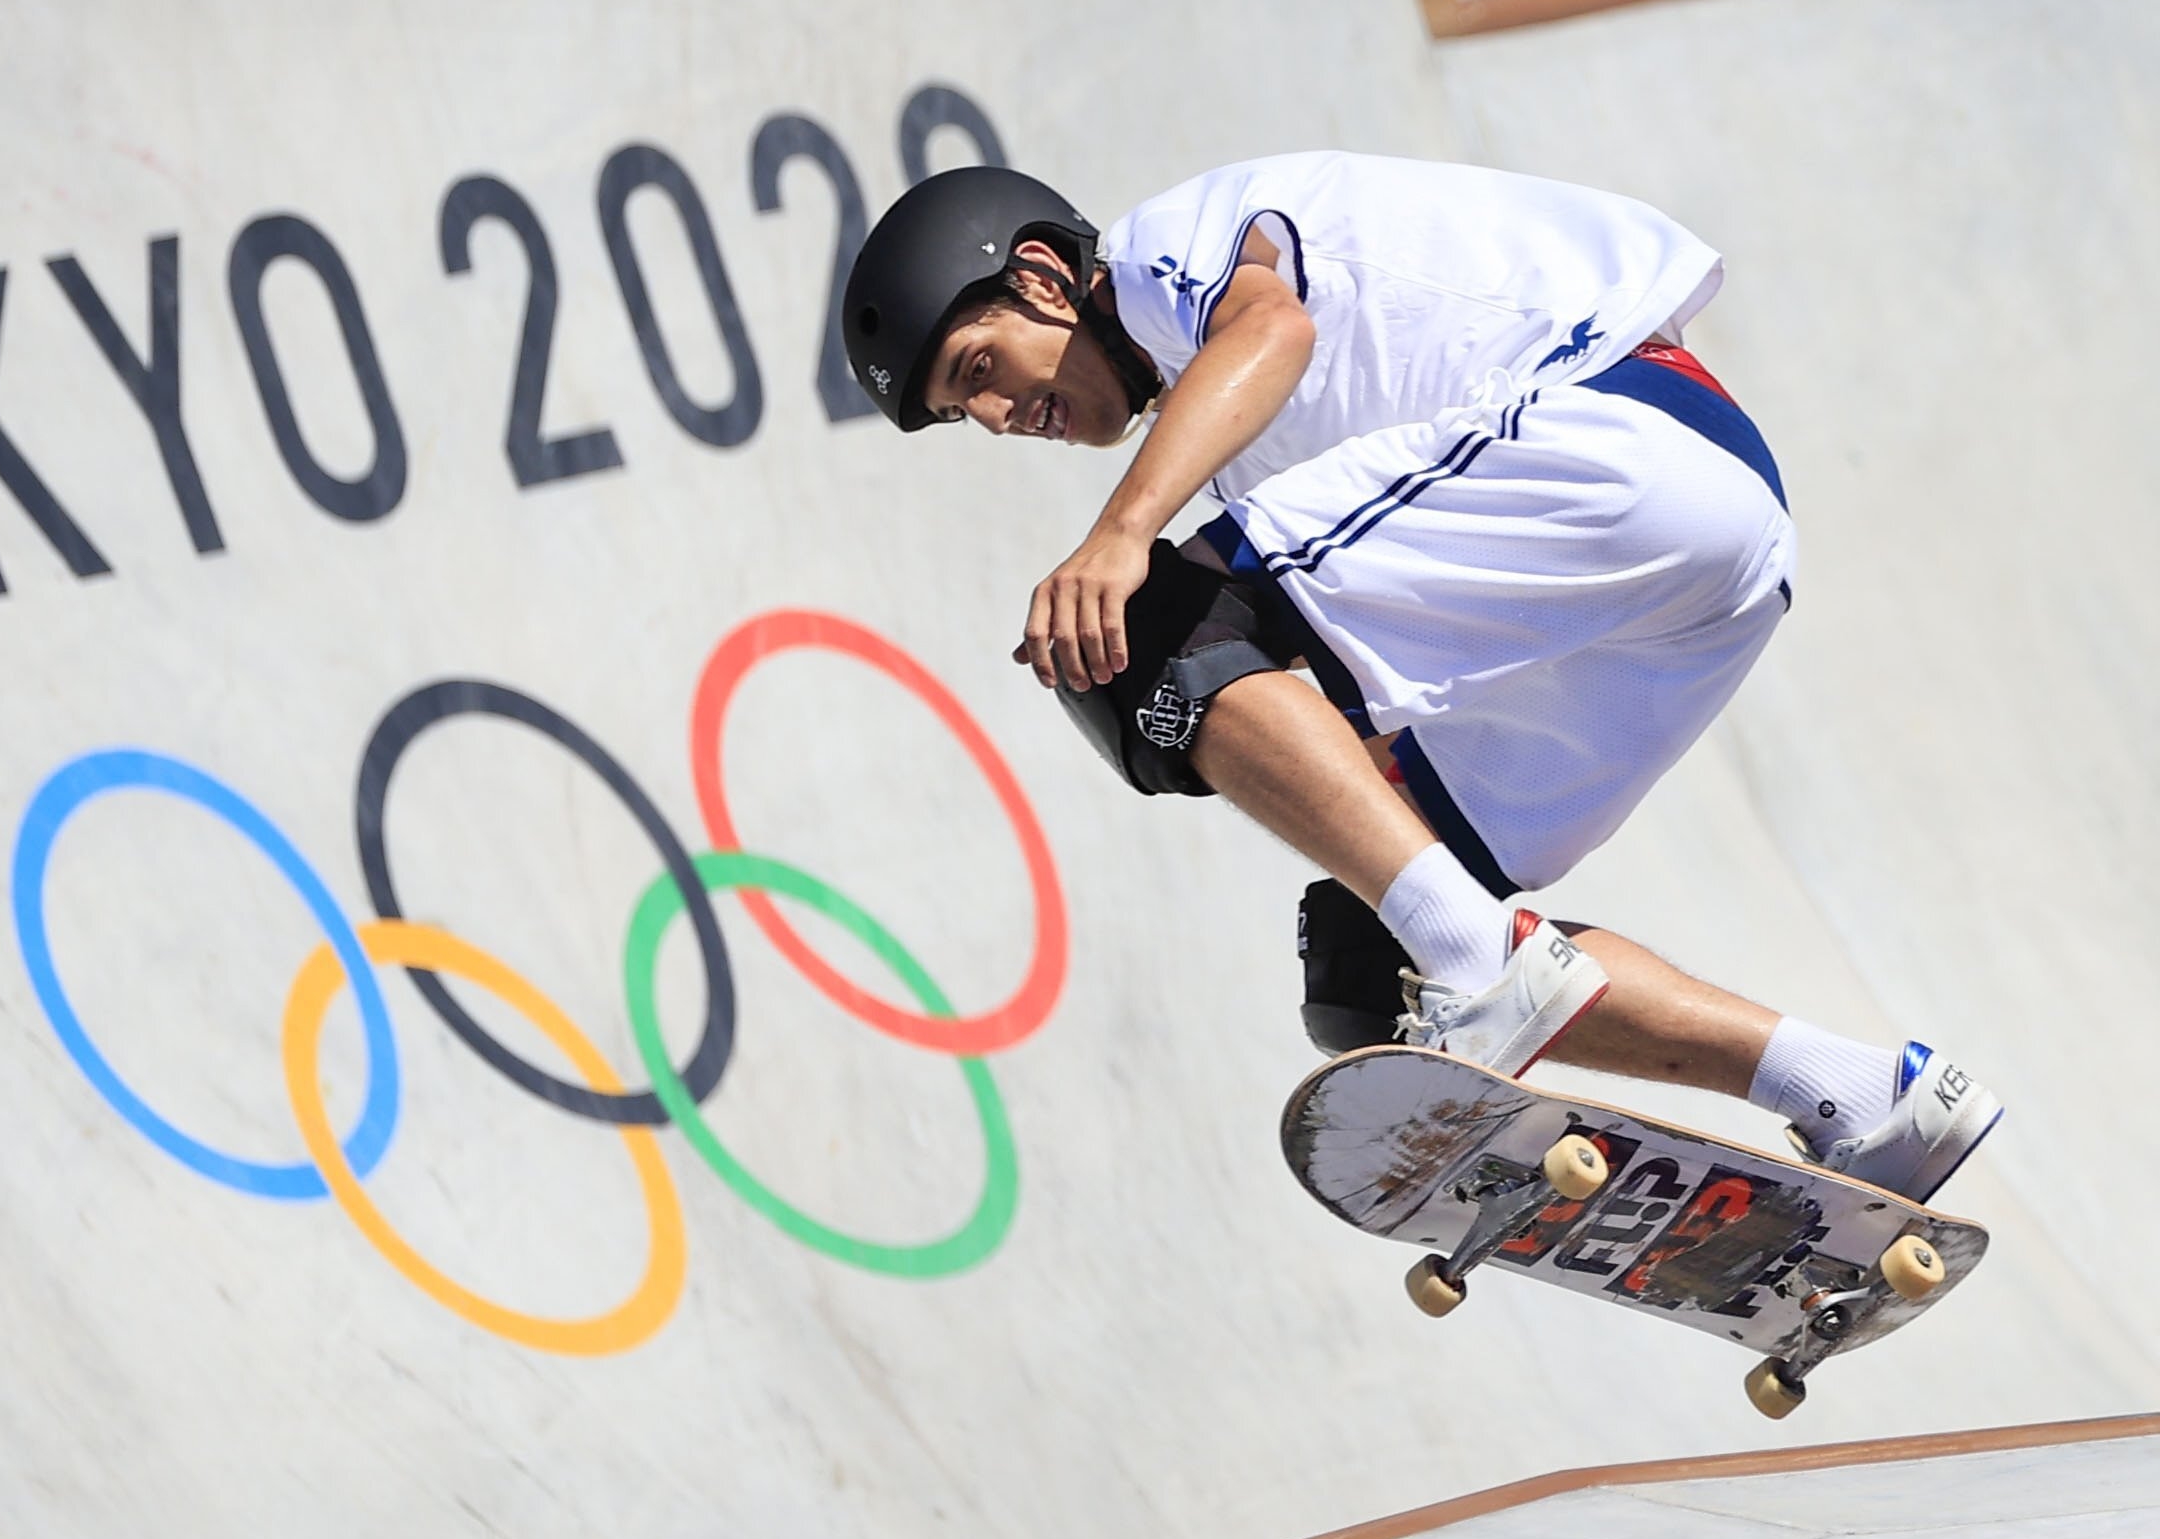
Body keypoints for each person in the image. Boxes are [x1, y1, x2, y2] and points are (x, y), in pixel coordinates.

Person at [839, 152, 2001, 1202]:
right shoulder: (1250, 440)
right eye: (967, 413)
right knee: (1373, 964)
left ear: (1043, 279)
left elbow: (1272, 332)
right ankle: (1858, 1094)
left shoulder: (1158, 257)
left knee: (1132, 634)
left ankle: (1477, 962)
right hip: (1710, 568)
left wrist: (1126, 529)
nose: (1000, 416)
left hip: (1618, 436)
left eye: (982, 368)